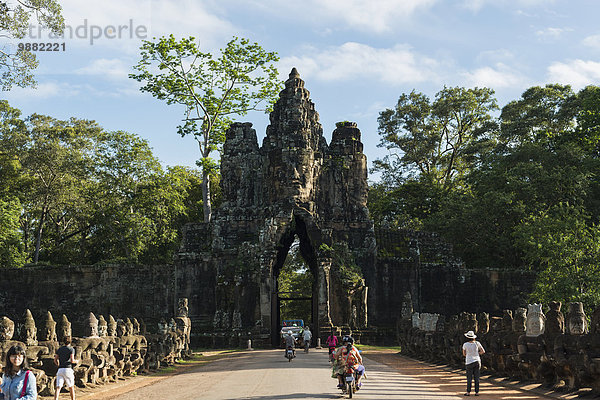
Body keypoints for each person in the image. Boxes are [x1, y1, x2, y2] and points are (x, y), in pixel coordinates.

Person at [462, 330, 485, 396]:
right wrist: (477, 354)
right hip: (477, 360)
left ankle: (468, 392)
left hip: (469, 361)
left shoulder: (465, 344)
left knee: (469, 378)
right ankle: (477, 392)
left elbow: (464, 354)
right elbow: (483, 351)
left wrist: (469, 355)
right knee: (476, 377)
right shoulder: (477, 343)